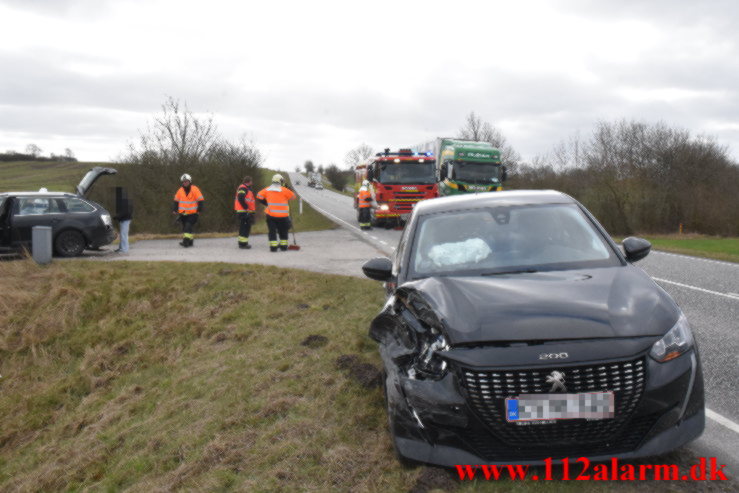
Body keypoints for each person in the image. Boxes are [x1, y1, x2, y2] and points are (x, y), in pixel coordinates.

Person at [256, 173, 296, 252]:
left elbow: (258, 196)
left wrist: (266, 203)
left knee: (272, 231)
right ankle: (283, 246)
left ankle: (273, 247)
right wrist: (288, 188)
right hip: (283, 216)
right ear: (281, 181)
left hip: (271, 215)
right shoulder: (284, 190)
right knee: (283, 231)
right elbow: (293, 197)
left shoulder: (267, 190)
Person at [172, 173, 204, 247]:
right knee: (185, 228)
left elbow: (200, 200)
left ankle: (185, 242)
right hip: (183, 214)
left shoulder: (195, 189)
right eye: (183, 182)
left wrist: (200, 209)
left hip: (193, 213)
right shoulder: (180, 190)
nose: (185, 183)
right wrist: (175, 209)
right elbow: (176, 201)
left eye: (186, 181)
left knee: (188, 226)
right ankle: (190, 241)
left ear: (190, 181)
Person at [234, 175, 256, 249]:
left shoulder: (246, 188)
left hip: (244, 211)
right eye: (251, 181)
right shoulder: (243, 188)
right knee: (245, 227)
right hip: (244, 211)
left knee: (244, 226)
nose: (252, 183)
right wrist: (246, 208)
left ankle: (242, 242)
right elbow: (241, 198)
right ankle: (243, 244)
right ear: (249, 182)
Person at [114, 186, 133, 253]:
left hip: (125, 219)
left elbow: (124, 212)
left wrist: (116, 217)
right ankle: (121, 248)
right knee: (123, 235)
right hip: (124, 219)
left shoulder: (124, 201)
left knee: (124, 235)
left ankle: (124, 250)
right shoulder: (124, 200)